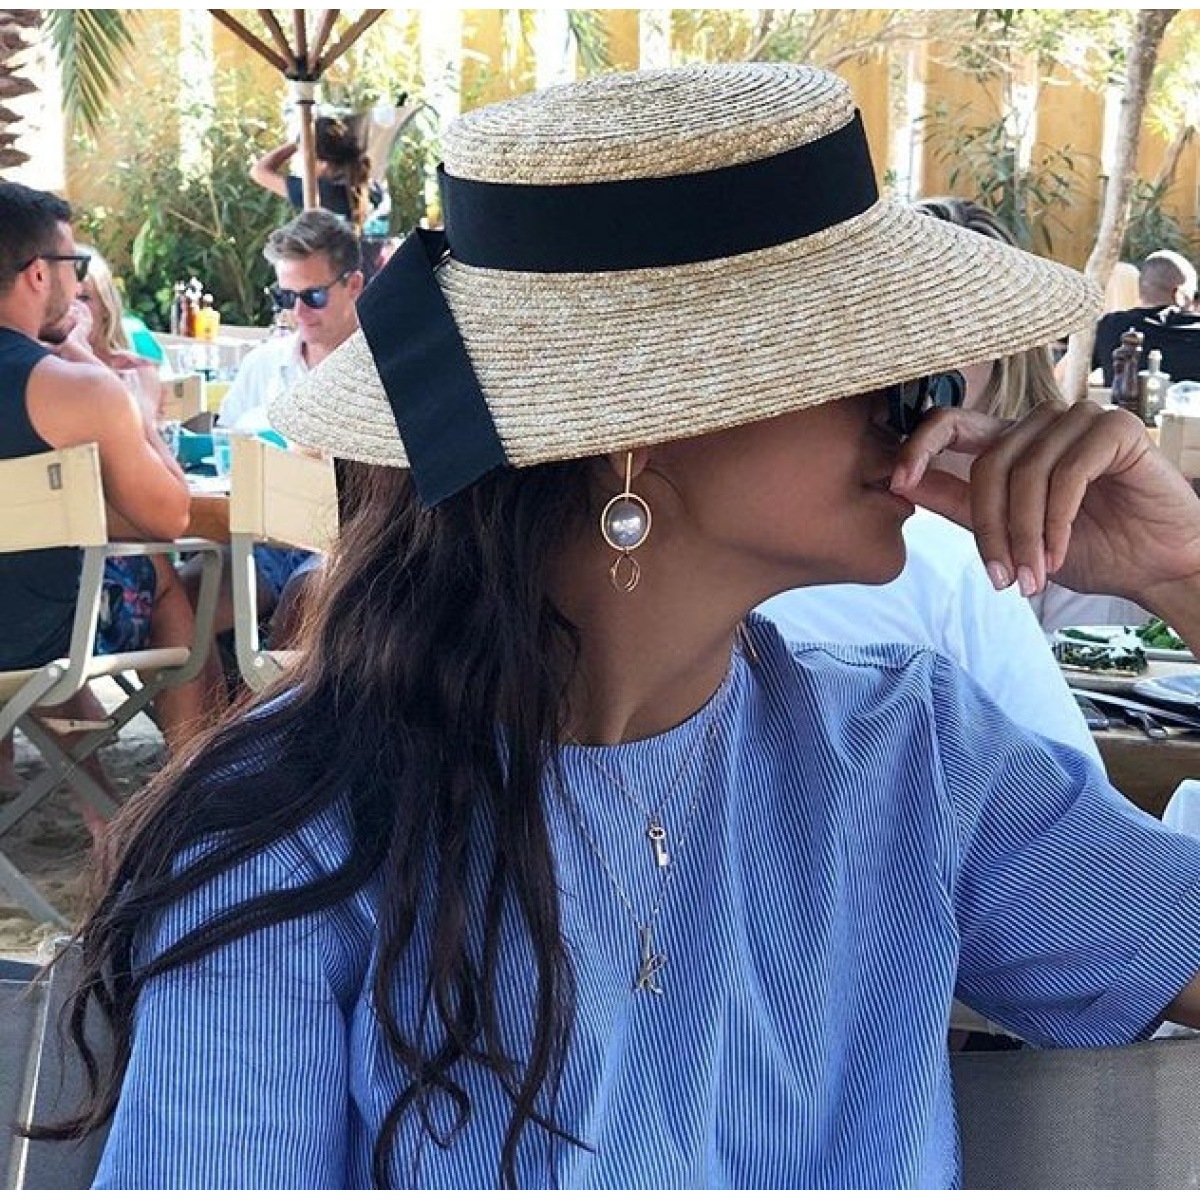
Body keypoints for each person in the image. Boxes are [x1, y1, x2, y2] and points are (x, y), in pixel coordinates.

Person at [48, 65, 1200, 1190]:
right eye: (881, 371)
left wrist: (1183, 575)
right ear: (641, 431)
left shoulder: (912, 753)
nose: (936, 410)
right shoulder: (302, 826)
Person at [762, 196, 1145, 687]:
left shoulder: (1070, 495)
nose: (915, 351)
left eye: (951, 326)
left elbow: (1092, 682)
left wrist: (1177, 579)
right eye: (889, 323)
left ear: (1008, 350)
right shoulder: (828, 507)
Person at [0, 183, 219, 826]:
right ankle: (186, 796)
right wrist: (134, 408)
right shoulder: (76, 389)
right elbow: (171, 516)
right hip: (35, 641)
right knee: (162, 575)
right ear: (38, 274)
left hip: (29, 629)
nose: (77, 282)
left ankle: (101, 812)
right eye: (74, 265)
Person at [182, 209, 360, 660]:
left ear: (354, 285)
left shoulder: (382, 369)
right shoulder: (263, 364)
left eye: (313, 296)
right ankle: (215, 709)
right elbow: (225, 451)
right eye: (285, 296)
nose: (298, 311)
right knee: (178, 610)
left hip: (344, 543)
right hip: (257, 541)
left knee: (306, 601)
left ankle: (265, 704)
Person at [250, 115, 380, 234]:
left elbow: (259, 171)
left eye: (303, 157)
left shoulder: (318, 192)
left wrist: (297, 142)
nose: (301, 164)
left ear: (323, 163)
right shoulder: (369, 187)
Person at [1093, 249, 1200, 385]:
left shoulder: (1109, 327)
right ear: (1179, 295)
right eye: (1194, 295)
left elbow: (1069, 373)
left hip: (1125, 399)